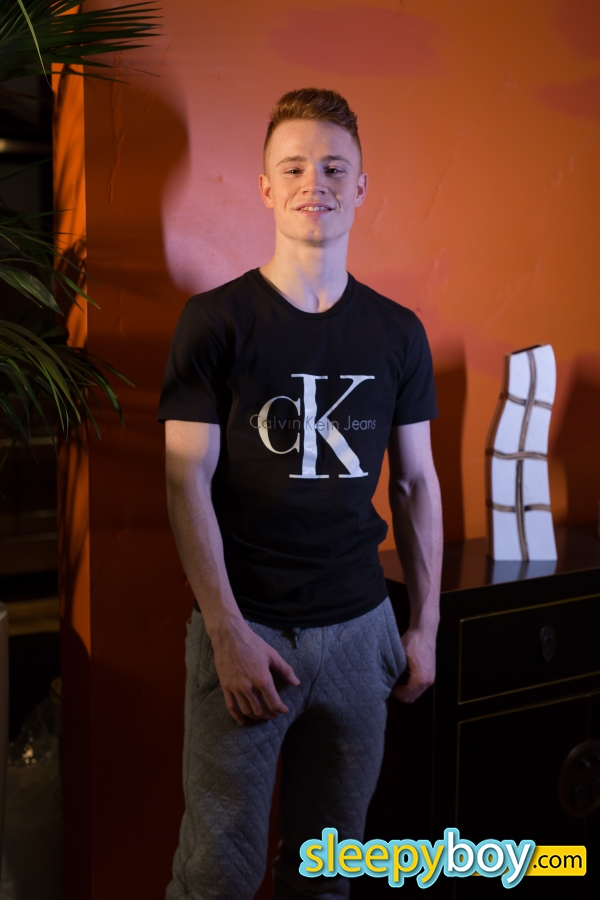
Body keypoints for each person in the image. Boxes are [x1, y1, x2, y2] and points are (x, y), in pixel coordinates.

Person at [157, 87, 443, 900]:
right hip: (249, 630)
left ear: (361, 186)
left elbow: (417, 483)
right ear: (265, 187)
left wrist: (422, 628)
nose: (314, 181)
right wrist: (226, 632)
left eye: (333, 167)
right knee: (215, 877)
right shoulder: (214, 322)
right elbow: (184, 479)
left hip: (362, 634)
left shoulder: (398, 332)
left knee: (327, 874)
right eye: (293, 167)